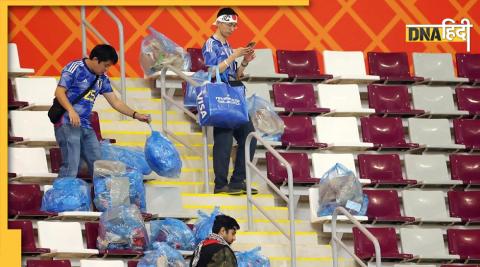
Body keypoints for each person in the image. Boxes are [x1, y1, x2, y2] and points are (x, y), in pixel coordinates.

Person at [53, 44, 151, 178]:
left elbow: (115, 102)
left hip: (85, 125)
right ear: (95, 59)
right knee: (72, 165)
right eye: (105, 65)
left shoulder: (102, 78)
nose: (106, 69)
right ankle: (63, 196)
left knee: (98, 165)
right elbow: (59, 92)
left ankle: (101, 197)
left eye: (108, 66)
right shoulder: (75, 68)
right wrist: (71, 110)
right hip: (67, 122)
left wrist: (136, 115)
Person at [202, 7, 258, 195]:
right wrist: (234, 56)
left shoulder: (228, 46)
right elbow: (211, 72)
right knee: (224, 142)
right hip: (220, 96)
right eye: (229, 24)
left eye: (235, 25)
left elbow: (235, 75)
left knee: (250, 137)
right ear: (218, 22)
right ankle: (220, 184)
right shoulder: (211, 44)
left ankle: (237, 180)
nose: (232, 28)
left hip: (234, 95)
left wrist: (244, 61)